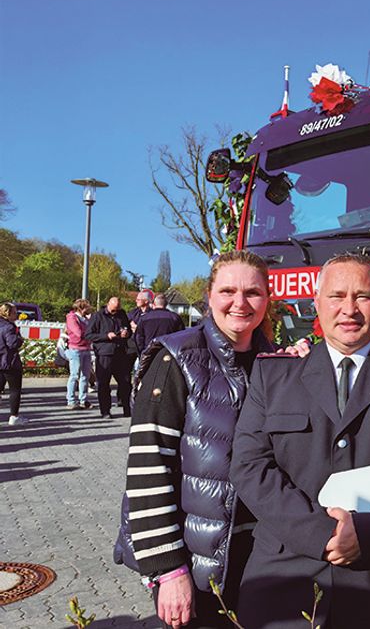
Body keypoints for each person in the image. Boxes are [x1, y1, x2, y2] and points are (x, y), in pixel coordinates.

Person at [230, 253, 370, 629]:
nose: (349, 309)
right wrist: (321, 535)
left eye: (363, 296)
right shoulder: (274, 374)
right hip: (285, 578)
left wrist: (369, 534)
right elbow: (250, 466)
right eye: (336, 296)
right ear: (317, 303)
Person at [116, 250, 278, 629]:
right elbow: (147, 467)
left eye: (253, 293)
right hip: (192, 560)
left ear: (267, 299)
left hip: (256, 556)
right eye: (228, 291)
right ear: (209, 297)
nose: (240, 303)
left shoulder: (276, 361)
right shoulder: (176, 359)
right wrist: (167, 570)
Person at [86, 297, 135, 418]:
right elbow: (88, 335)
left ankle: (127, 409)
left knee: (125, 383)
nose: (116, 311)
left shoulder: (122, 314)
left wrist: (127, 333)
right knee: (103, 384)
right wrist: (106, 336)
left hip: (121, 353)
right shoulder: (98, 316)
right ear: (108, 305)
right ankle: (105, 411)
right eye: (113, 309)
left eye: (117, 309)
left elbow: (128, 329)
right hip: (105, 354)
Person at [65, 298, 93, 410]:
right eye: (87, 307)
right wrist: (91, 334)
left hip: (86, 349)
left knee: (85, 376)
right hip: (75, 349)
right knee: (74, 375)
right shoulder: (72, 318)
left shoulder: (86, 319)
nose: (89, 309)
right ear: (81, 308)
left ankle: (83, 399)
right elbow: (78, 333)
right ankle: (71, 400)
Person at [0, 302, 25, 425]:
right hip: (9, 361)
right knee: (15, 390)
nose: (17, 315)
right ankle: (14, 416)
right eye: (15, 312)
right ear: (8, 314)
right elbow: (12, 344)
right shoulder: (9, 327)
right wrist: (20, 339)